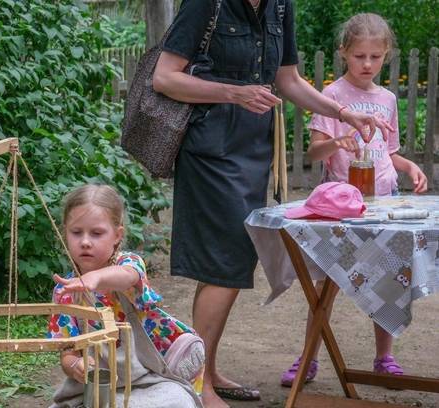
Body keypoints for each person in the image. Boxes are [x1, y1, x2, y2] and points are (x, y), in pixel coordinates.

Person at [151, 0, 394, 406]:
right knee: (223, 263)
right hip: (211, 149)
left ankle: (205, 369)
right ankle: (197, 382)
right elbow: (164, 78)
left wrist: (342, 113)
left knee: (230, 261)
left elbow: (289, 80)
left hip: (253, 150)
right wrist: (232, 92)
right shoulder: (205, 4)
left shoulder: (280, 6)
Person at [280, 13, 427, 387]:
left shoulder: (388, 98)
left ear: (386, 55)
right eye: (359, 55)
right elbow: (314, 153)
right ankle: (309, 356)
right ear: (343, 52)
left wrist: (409, 166)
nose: (367, 64)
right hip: (342, 207)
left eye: (375, 57)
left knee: (389, 281)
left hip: (385, 201)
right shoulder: (332, 96)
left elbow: (388, 151)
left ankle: (384, 358)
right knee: (326, 285)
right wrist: (336, 142)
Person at [48, 184, 203, 408]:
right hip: (96, 388)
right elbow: (67, 354)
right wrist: (76, 366)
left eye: (97, 233)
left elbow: (128, 276)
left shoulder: (128, 264)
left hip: (149, 377)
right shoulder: (65, 293)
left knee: (178, 402)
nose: (85, 241)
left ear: (117, 236)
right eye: (76, 232)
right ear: (65, 234)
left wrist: (96, 279)